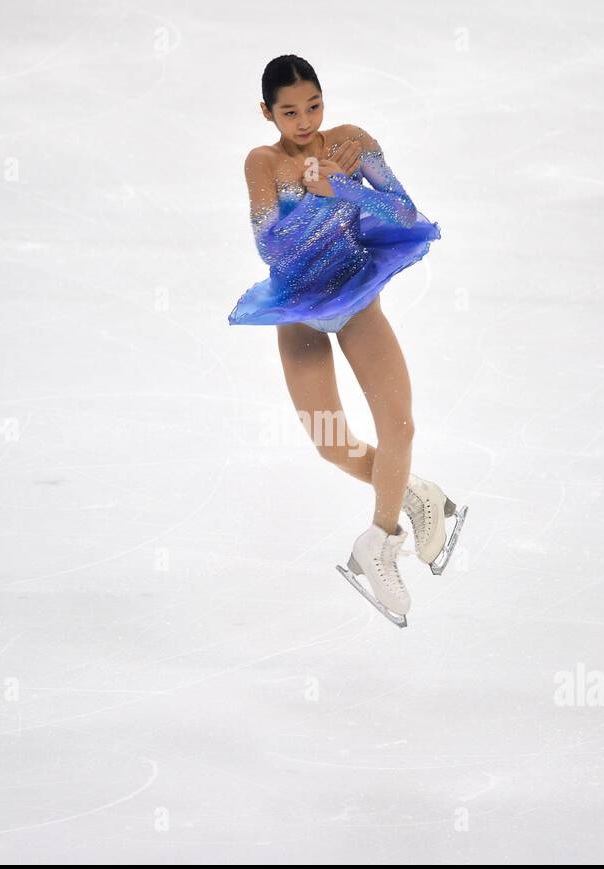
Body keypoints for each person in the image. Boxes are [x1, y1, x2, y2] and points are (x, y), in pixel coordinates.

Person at [228, 54, 467, 627]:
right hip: (301, 312)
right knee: (332, 444)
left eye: (313, 105)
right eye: (289, 112)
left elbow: (407, 213)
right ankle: (418, 494)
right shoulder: (261, 163)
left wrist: (345, 187)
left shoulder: (352, 143)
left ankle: (379, 543)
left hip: (357, 298)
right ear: (268, 113)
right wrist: (316, 197)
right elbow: (271, 247)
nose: (305, 121)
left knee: (400, 425)